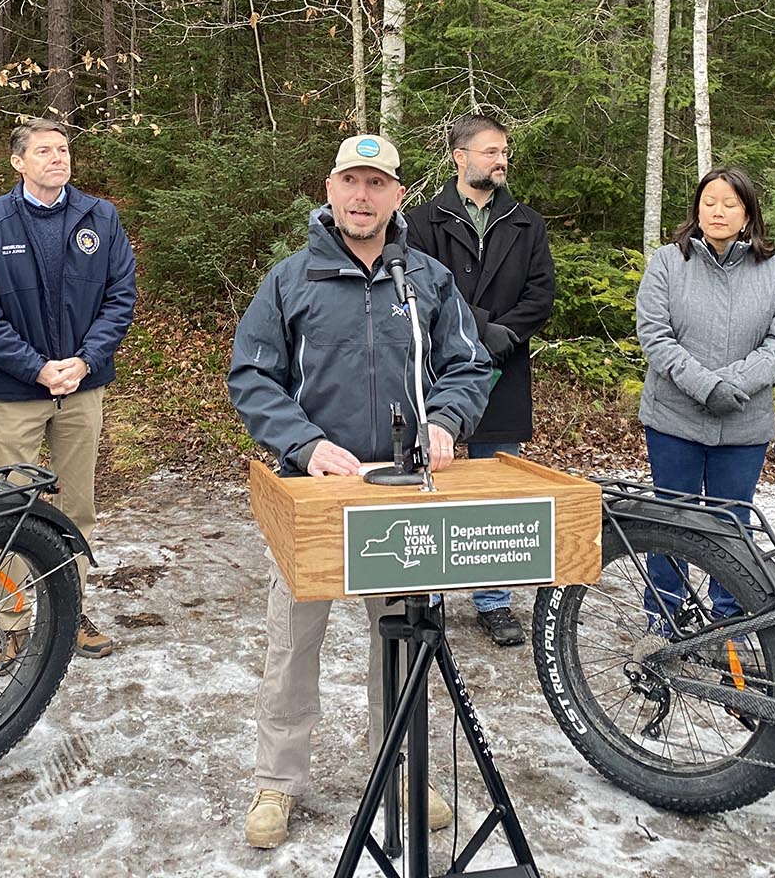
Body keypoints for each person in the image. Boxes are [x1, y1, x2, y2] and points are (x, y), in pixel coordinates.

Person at [229, 133, 492, 851]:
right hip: (313, 493)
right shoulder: (290, 279)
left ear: (398, 195)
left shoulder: (428, 280)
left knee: (403, 639)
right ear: (330, 187)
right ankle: (277, 782)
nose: (362, 197)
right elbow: (251, 376)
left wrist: (445, 419)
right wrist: (306, 445)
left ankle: (404, 766)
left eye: (377, 184)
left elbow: (470, 365)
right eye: (351, 181)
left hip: (404, 490)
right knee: (293, 642)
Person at [0, 119, 136, 659]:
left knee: (76, 508)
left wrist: (83, 361)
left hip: (81, 388)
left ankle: (70, 611)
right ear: (18, 162)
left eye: (62, 150)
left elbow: (119, 297)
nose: (57, 158)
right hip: (15, 392)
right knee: (10, 508)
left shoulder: (100, 218)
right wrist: (36, 368)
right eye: (44, 151)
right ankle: (11, 622)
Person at [405, 113, 556, 647]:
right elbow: (418, 290)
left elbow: (541, 297)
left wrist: (497, 337)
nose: (500, 160)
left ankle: (494, 601)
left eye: (504, 151)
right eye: (490, 151)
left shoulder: (527, 223)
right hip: (437, 371)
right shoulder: (423, 222)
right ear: (459, 157)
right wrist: (471, 332)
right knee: (436, 482)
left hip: (503, 367)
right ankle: (432, 598)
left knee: (494, 492)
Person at [635, 166, 775, 620]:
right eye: (709, 202)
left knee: (732, 525)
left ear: (747, 214)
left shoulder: (774, 269)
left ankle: (731, 617)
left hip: (743, 423)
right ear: (697, 209)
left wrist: (735, 385)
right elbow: (655, 335)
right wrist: (706, 386)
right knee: (673, 521)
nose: (718, 211)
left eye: (729, 204)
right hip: (674, 419)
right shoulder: (669, 261)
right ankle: (665, 617)